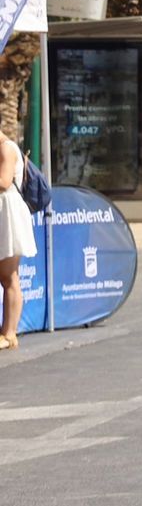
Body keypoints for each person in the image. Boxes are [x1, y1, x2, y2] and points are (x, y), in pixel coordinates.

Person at [0, 126, 35, 349]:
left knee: (9, 276)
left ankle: (9, 333)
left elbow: (3, 182)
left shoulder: (7, 148)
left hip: (8, 215)